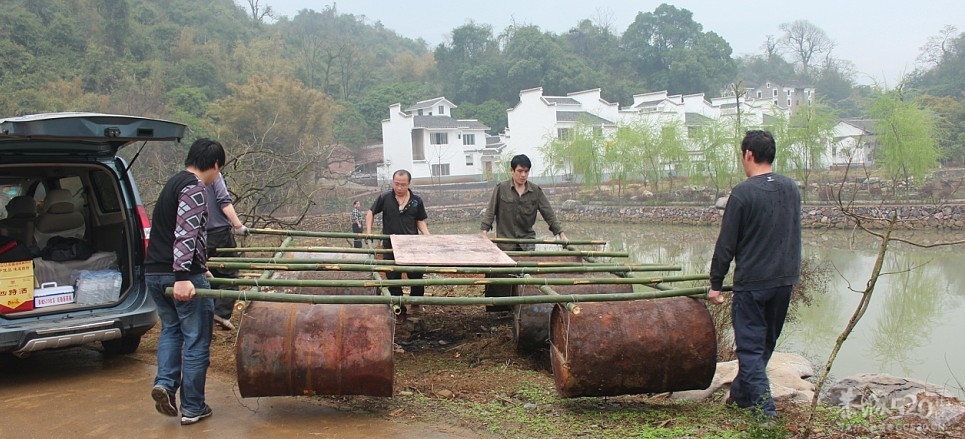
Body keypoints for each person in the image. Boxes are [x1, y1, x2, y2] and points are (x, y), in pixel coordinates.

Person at [707, 130, 802, 419]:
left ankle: (766, 415)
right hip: (784, 280)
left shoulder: (743, 193)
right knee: (764, 346)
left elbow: (727, 243)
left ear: (748, 154)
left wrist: (715, 284)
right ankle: (741, 396)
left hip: (752, 284)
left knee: (750, 350)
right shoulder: (791, 188)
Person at [145, 138, 225, 426]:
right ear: (214, 165)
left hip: (154, 272)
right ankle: (193, 407)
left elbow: (167, 233)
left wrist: (201, 268)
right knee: (196, 340)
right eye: (219, 170)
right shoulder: (195, 188)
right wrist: (183, 276)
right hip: (178, 276)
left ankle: (165, 384)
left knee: (171, 330)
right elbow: (186, 234)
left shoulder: (172, 183)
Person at [365, 170, 429, 316]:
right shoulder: (385, 197)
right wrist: (368, 232)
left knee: (416, 276)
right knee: (393, 276)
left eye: (403, 185)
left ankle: (416, 304)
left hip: (412, 246)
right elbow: (371, 213)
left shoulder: (416, 201)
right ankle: (399, 307)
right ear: (393, 182)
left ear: (409, 184)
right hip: (390, 245)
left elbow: (420, 220)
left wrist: (427, 236)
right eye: (396, 184)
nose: (399, 188)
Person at [480, 154, 567, 250]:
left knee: (527, 264)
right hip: (506, 244)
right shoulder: (501, 189)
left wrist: (561, 234)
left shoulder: (535, 191)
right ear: (512, 171)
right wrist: (484, 232)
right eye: (520, 171)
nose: (523, 175)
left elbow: (549, 214)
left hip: (527, 243)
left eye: (526, 171)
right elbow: (490, 212)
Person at [205, 172, 249, 331]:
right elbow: (223, 201)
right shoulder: (213, 174)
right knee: (229, 275)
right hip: (219, 234)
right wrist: (238, 225)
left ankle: (207, 314)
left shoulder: (186, 178)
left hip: (197, 236)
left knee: (207, 274)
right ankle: (221, 314)